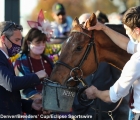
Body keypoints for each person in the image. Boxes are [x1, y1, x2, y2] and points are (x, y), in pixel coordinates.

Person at [85, 6, 140, 120]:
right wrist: (103, 28)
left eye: (127, 30)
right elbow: (127, 45)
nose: (126, 33)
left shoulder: (136, 61)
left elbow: (111, 96)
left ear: (137, 30)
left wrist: (95, 92)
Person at [72, 13, 128, 120]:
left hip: (107, 111)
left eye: (89, 24)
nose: (86, 27)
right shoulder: (72, 55)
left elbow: (121, 81)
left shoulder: (107, 53)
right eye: (83, 24)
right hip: (83, 111)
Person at [0, 21, 47, 117]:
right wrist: (36, 76)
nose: (19, 44)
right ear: (4, 38)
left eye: (21, 40)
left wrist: (31, 104)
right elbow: (10, 83)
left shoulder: (5, 58)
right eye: (16, 40)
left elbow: (8, 96)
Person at [14, 10, 53, 120]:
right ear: (28, 43)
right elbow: (23, 87)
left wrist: (51, 102)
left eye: (43, 42)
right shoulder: (20, 63)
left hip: (49, 112)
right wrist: (42, 100)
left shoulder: (49, 62)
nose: (41, 46)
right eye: (38, 43)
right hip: (30, 111)